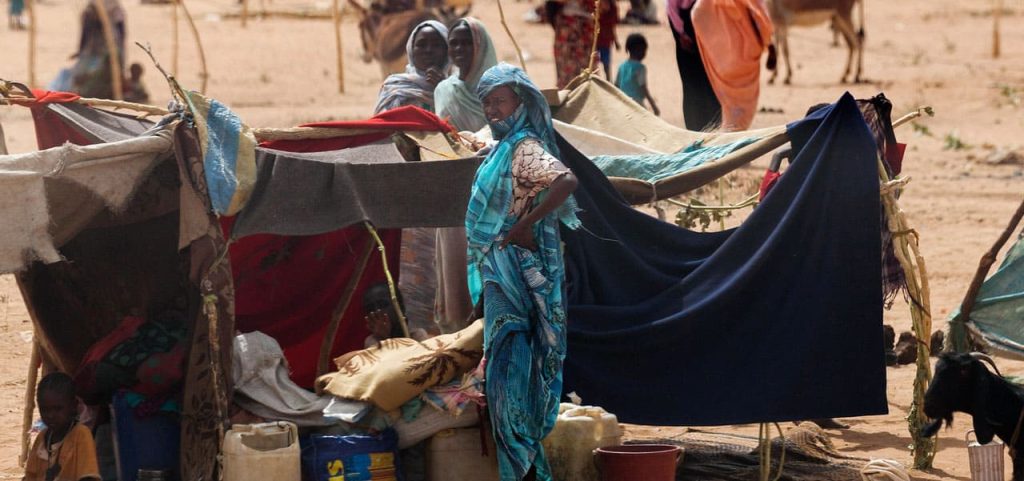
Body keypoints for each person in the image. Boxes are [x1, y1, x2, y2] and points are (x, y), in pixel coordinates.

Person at [469, 63, 580, 481]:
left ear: (521, 101)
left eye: (499, 101)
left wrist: (524, 225)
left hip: (516, 280)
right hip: (499, 279)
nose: (492, 110)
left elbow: (566, 181)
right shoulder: (501, 148)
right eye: (486, 103)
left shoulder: (524, 147)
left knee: (509, 390)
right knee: (503, 388)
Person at [433, 17, 498, 333]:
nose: (458, 49)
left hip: (494, 189)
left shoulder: (499, 89)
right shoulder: (444, 90)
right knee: (457, 263)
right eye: (453, 43)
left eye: (466, 42)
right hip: (454, 189)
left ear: (480, 46)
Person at [690, 0, 773, 131]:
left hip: (722, 62)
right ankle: (730, 138)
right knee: (740, 114)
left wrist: (716, 46)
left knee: (730, 109)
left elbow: (697, 13)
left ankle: (728, 136)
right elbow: (761, 17)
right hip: (744, 58)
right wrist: (767, 43)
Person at [24, 373, 100, 481]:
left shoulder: (81, 435)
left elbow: (88, 477)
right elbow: (30, 476)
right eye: (45, 410)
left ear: (74, 406)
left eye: (58, 409)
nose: (50, 415)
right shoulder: (42, 438)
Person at [373, 20, 450, 114]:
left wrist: (444, 91)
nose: (428, 50)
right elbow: (382, 120)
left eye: (436, 45)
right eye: (421, 45)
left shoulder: (456, 90)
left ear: (447, 51)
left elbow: (461, 120)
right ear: (411, 50)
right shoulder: (394, 87)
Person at [667, 0, 720, 130]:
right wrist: (681, 34)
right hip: (688, 40)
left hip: (710, 37)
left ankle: (714, 127)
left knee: (713, 85)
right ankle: (696, 128)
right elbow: (671, 10)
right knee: (692, 87)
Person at [68, 0, 126, 99]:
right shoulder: (90, 12)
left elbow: (121, 36)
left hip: (107, 52)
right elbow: (85, 35)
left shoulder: (114, 12)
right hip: (94, 52)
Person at [362, 282, 432, 348]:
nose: (377, 311)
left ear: (400, 307)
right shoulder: (372, 341)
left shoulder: (417, 336)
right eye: (370, 308)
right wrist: (385, 338)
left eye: (382, 304)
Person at [548, 0, 595, 88]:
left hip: (585, 27)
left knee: (587, 69)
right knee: (566, 70)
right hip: (567, 26)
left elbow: (603, 6)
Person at [614, 33, 660, 115]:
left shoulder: (622, 66)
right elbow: (643, 87)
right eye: (644, 50)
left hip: (623, 102)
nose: (645, 53)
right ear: (639, 50)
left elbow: (616, 85)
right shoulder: (640, 68)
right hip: (636, 103)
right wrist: (653, 105)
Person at [596, 0, 619, 80]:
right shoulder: (595, 6)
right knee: (593, 64)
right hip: (594, 41)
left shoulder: (613, 8)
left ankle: (608, 81)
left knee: (606, 64)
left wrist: (615, 41)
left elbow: (612, 26)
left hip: (606, 41)